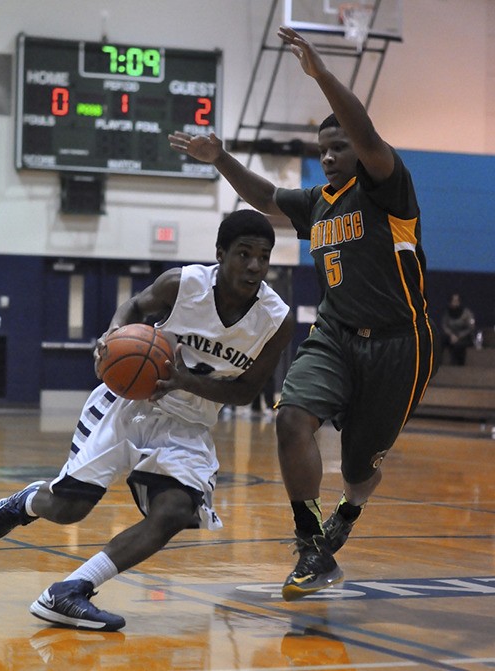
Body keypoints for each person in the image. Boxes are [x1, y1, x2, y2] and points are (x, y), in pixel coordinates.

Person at [169, 26, 438, 600]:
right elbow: (264, 196)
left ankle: (351, 507)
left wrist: (321, 77)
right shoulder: (317, 204)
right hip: (337, 334)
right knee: (291, 418)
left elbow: (365, 133)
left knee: (362, 467)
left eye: (336, 148)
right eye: (322, 151)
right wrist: (221, 160)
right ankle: (312, 547)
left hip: (400, 343)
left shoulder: (390, 188)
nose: (328, 157)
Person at [0, 209, 294, 630]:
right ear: (220, 254)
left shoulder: (276, 318)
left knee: (176, 510)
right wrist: (112, 335)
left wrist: (181, 381)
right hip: (128, 403)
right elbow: (134, 306)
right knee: (70, 509)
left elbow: (245, 391)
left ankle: (69, 590)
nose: (254, 266)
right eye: (243, 254)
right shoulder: (183, 285)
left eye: (263, 257)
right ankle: (28, 501)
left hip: (189, 423)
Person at [441, 292, 475, 365]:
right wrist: (451, 335)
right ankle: (438, 364)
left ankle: (458, 366)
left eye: (457, 301)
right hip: (451, 335)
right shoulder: (447, 313)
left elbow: (471, 327)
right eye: (453, 301)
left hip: (464, 336)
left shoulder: (467, 313)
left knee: (459, 346)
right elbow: (444, 325)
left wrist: (459, 336)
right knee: (440, 340)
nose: (455, 303)